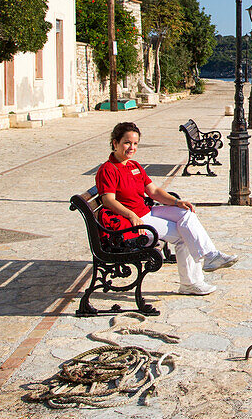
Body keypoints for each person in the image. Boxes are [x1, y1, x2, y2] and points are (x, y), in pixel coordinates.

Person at [96, 121, 238, 296]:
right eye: (127, 143)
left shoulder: (134, 166)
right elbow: (108, 200)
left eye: (135, 144)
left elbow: (154, 191)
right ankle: (192, 282)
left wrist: (176, 202)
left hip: (147, 211)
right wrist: (131, 215)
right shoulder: (108, 169)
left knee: (186, 213)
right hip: (134, 221)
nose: (131, 147)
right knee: (185, 235)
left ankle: (209, 257)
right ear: (115, 143)